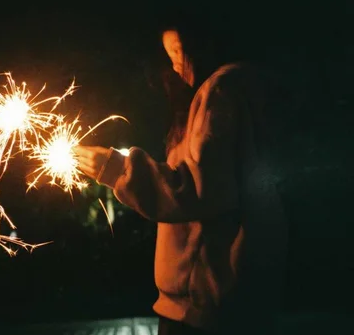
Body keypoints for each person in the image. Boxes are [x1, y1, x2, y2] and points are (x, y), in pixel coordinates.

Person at [75, 19, 288, 335]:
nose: (174, 64)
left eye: (177, 50)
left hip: (203, 310)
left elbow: (199, 191)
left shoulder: (222, 90)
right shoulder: (257, 89)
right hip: (234, 301)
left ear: (202, 43)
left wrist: (115, 169)